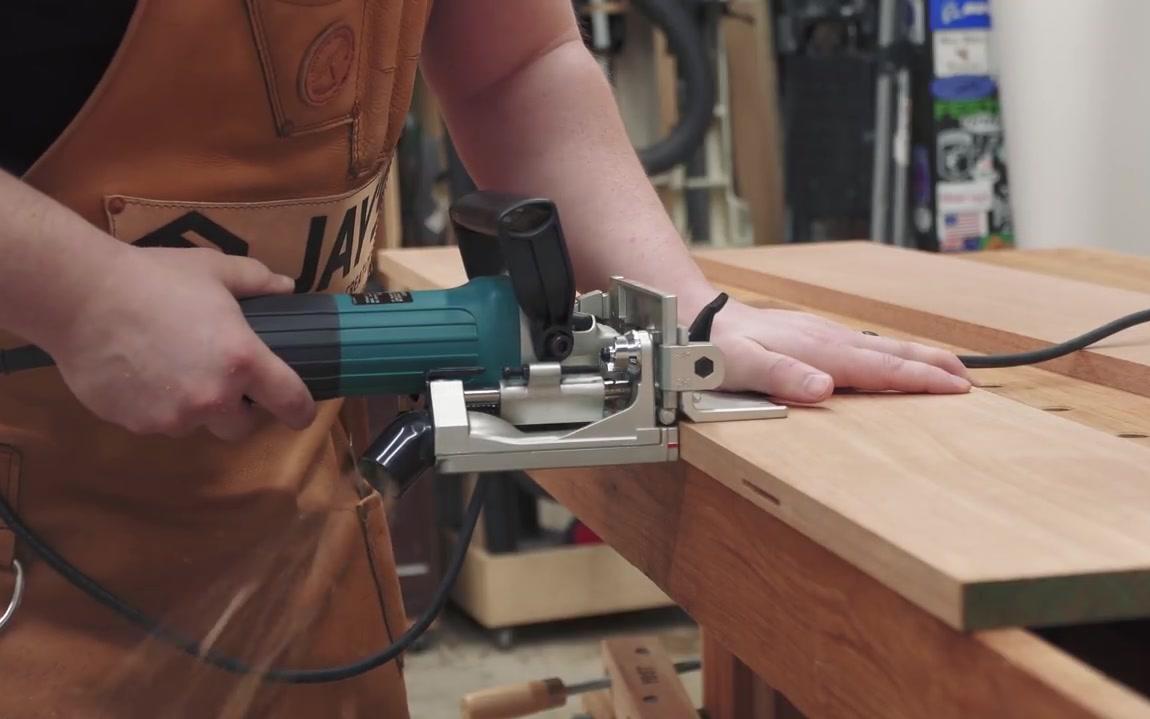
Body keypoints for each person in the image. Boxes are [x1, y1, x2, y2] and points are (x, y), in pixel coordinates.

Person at [0, 1, 971, 716]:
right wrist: (76, 291)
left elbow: (515, 62)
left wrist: (691, 315)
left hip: (292, 535)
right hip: (31, 576)